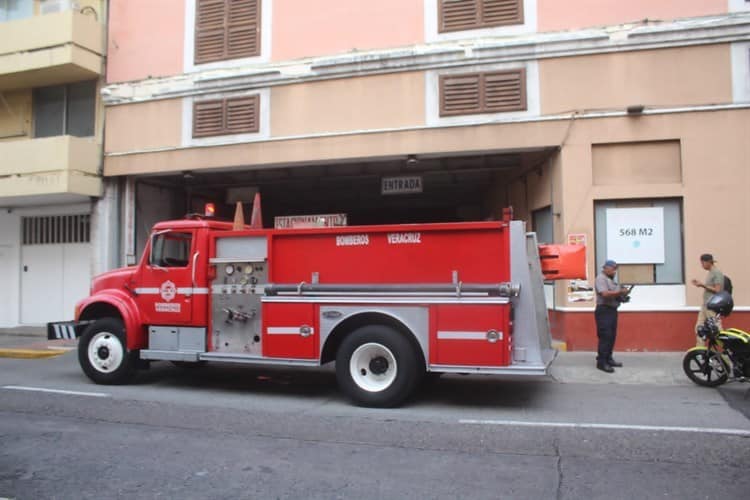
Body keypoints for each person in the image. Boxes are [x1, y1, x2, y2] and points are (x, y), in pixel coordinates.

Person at [594, 260, 631, 373]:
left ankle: (608, 359)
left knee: (611, 337)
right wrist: (620, 292)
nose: (615, 271)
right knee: (605, 336)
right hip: (603, 310)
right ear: (606, 268)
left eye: (615, 269)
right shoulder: (601, 278)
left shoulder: (611, 280)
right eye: (613, 269)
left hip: (612, 311)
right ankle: (601, 362)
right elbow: (604, 294)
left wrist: (622, 297)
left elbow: (614, 295)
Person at [691, 253, 723, 346]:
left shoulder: (717, 273)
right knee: (699, 328)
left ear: (709, 262)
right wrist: (701, 285)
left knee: (717, 329)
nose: (702, 265)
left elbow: (718, 290)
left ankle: (727, 349)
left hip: (712, 306)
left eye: (702, 263)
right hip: (705, 305)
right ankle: (699, 350)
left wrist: (702, 285)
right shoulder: (710, 273)